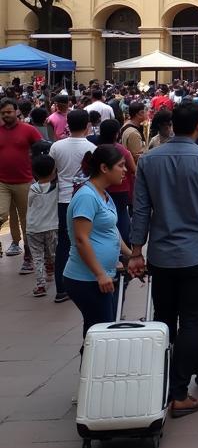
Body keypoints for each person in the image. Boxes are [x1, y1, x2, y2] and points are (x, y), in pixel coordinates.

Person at [128, 101, 198, 419]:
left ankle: (158, 386)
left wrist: (135, 251)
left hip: (160, 254)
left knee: (163, 319)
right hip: (196, 254)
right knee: (192, 322)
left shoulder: (149, 159)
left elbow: (140, 208)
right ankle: (179, 393)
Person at [63, 144, 133, 346]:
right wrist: (99, 273)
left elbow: (111, 231)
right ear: (104, 168)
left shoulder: (103, 194)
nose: (125, 170)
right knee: (100, 332)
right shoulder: (87, 196)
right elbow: (81, 239)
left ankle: (93, 374)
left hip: (100, 276)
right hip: (85, 279)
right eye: (120, 166)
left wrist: (131, 256)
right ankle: (92, 374)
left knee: (100, 329)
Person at [50, 108, 95, 303]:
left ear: (68, 124)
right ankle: (86, 280)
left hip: (63, 200)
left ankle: (61, 288)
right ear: (87, 126)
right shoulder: (92, 149)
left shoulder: (56, 147)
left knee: (64, 243)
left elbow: (52, 174)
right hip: (86, 201)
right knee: (86, 240)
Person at [0, 97, 42, 273]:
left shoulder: (29, 130)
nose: (6, 115)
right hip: (2, 182)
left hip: (24, 181)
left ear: (16, 111)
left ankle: (28, 257)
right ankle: (10, 245)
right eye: (2, 113)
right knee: (1, 214)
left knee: (27, 221)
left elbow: (41, 149)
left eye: (9, 112)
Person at [97, 119, 136, 244]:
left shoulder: (97, 149)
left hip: (102, 188)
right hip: (121, 189)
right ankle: (124, 243)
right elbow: (134, 169)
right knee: (121, 214)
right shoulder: (122, 150)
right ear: (116, 134)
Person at [26, 152, 59, 297]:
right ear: (54, 170)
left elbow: (30, 204)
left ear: (34, 172)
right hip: (52, 227)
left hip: (33, 228)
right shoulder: (56, 187)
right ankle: (60, 282)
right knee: (55, 255)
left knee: (37, 256)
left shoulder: (33, 188)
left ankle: (40, 285)